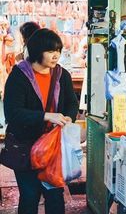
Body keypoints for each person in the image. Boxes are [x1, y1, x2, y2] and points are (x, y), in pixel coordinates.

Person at [3, 28, 79, 214]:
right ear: (37, 51)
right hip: (25, 147)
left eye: (58, 51)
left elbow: (72, 103)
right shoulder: (19, 76)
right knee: (30, 196)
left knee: (54, 195)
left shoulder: (62, 75)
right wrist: (45, 115)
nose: (56, 56)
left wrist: (69, 116)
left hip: (53, 147)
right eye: (51, 51)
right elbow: (13, 113)